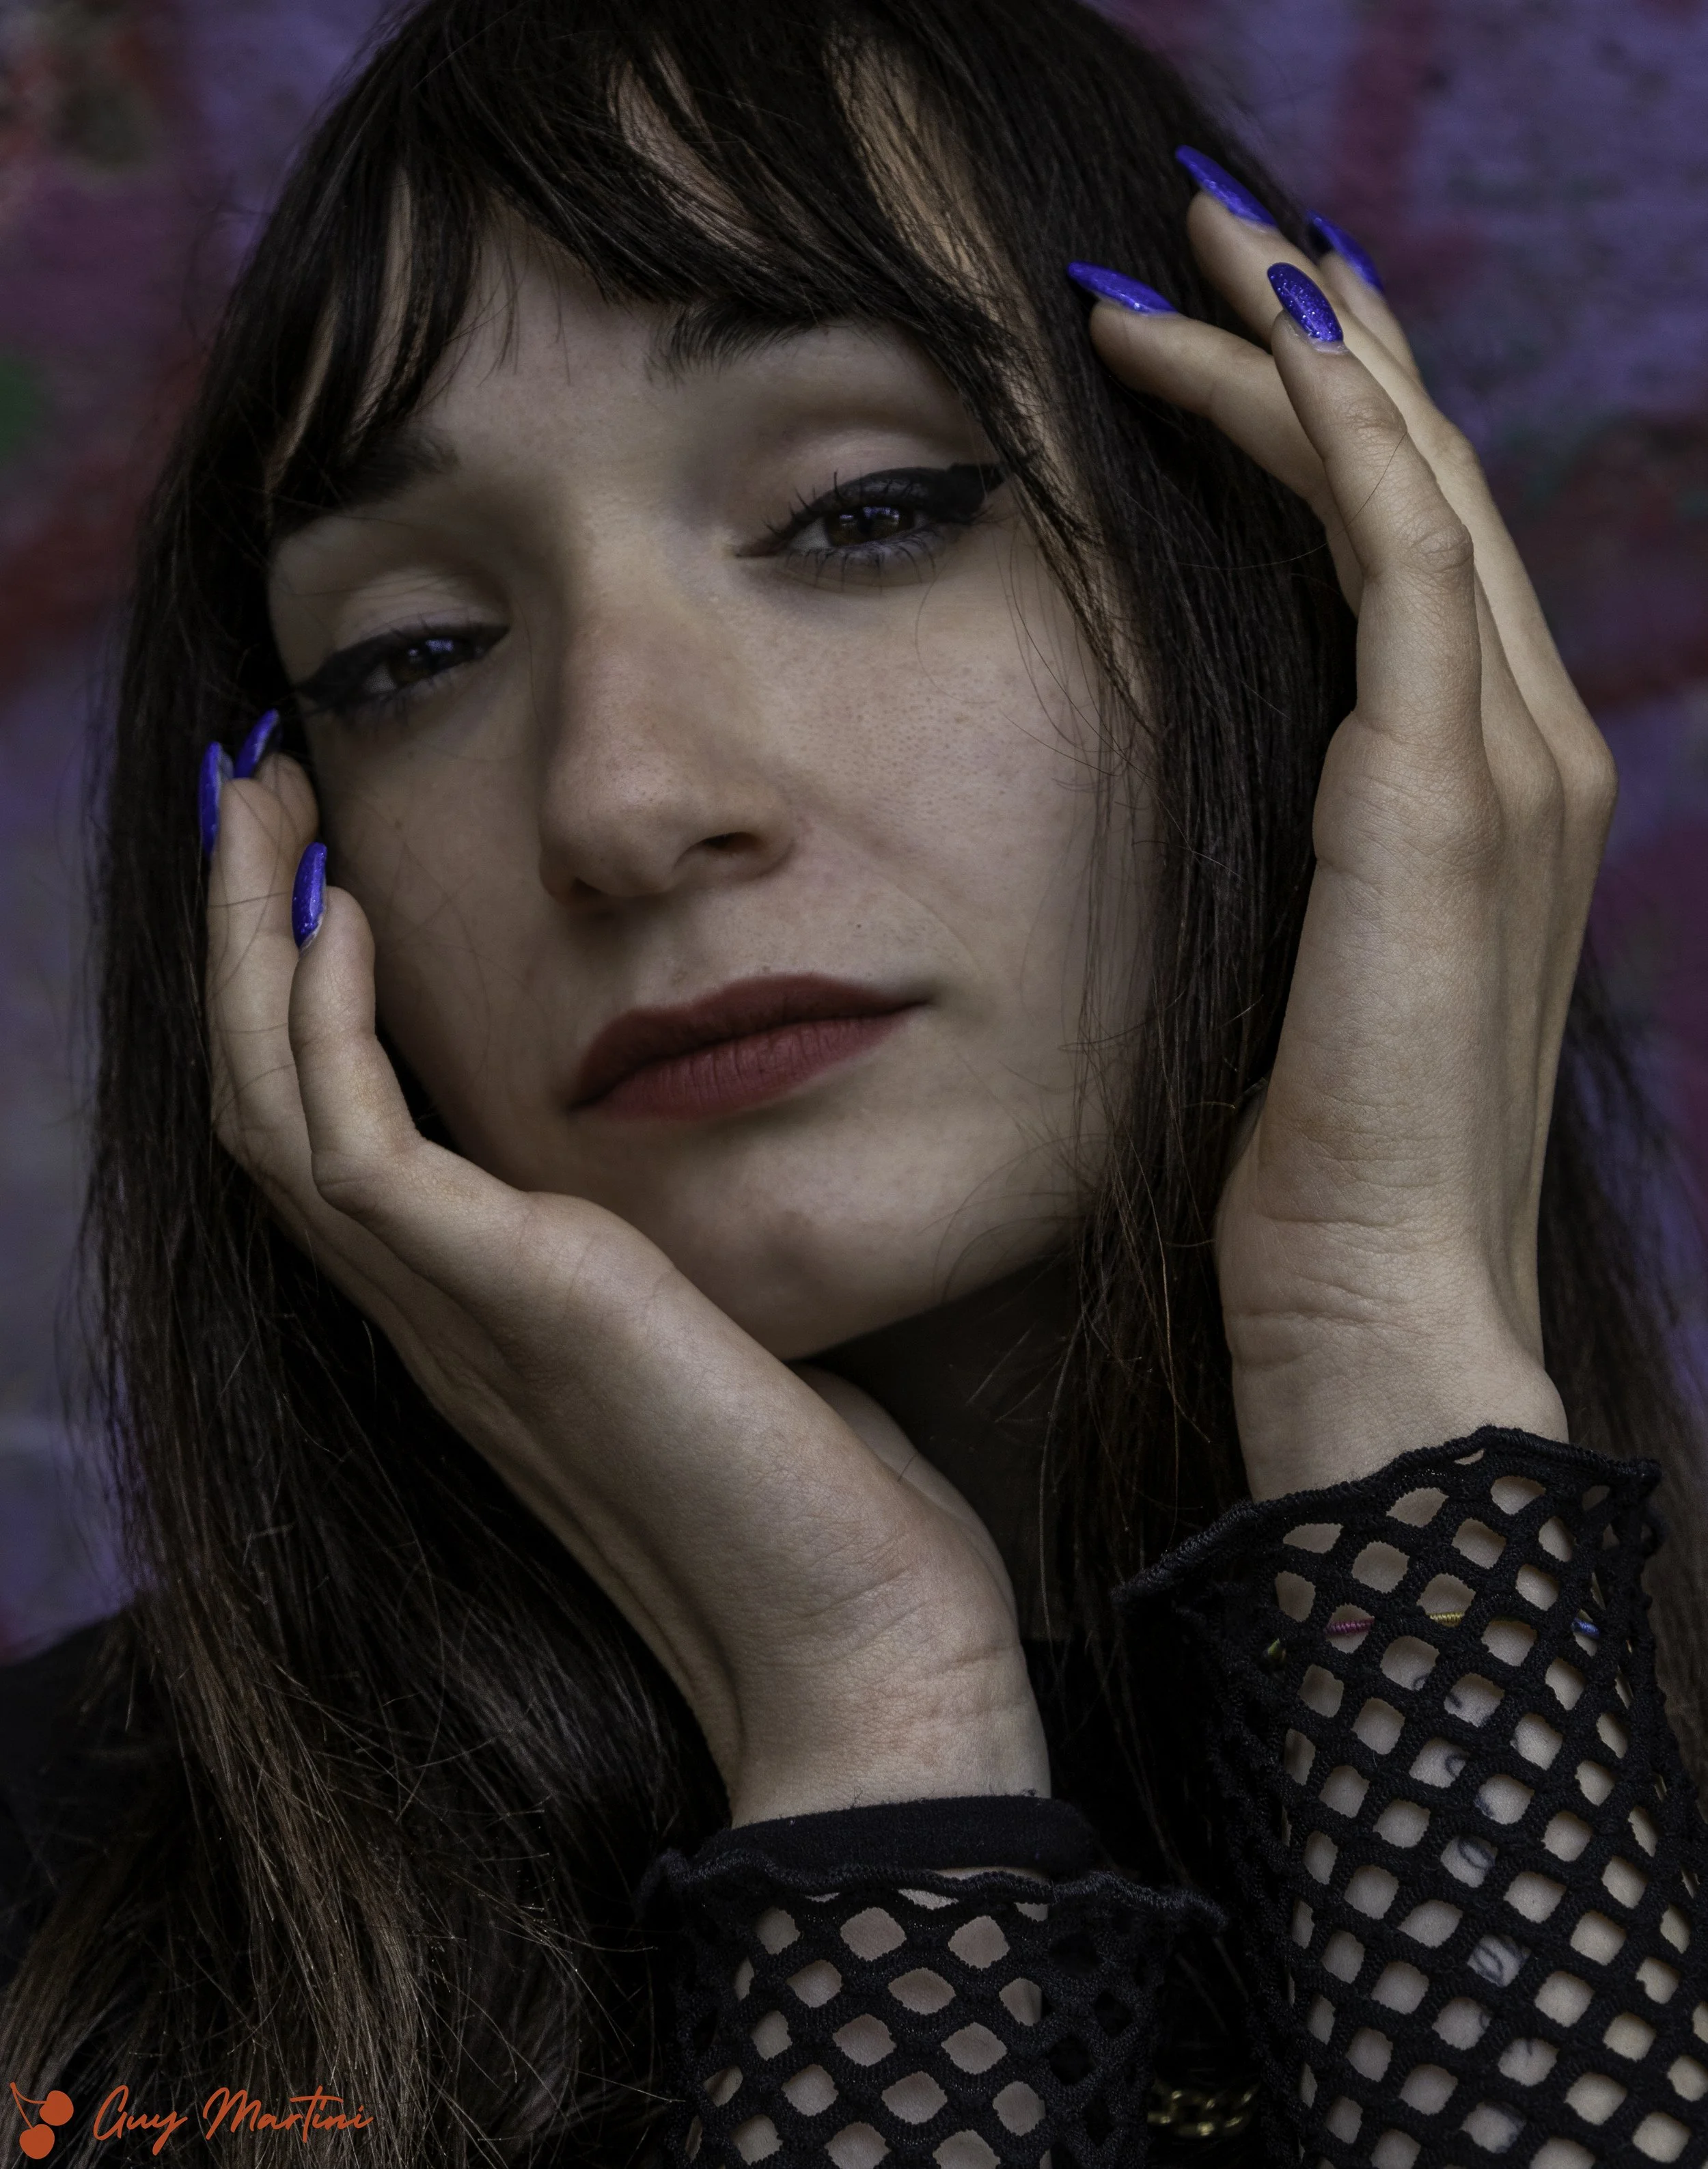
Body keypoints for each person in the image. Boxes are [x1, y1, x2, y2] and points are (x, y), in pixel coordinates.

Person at [1, 0, 1705, 2161]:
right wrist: (875, 1735)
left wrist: (1391, 1379)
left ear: (1306, 588)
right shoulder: (62, 1925)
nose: (623, 801)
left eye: (861, 512)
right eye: (412, 650)